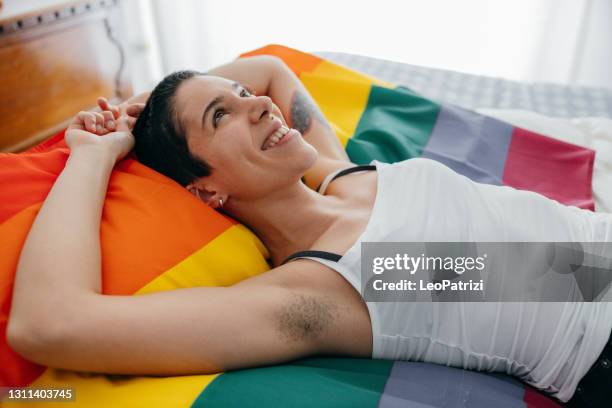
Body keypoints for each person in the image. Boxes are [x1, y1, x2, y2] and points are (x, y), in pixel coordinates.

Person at [7, 56, 612, 407]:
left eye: (242, 98)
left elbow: (268, 69)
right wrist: (94, 152)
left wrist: (137, 109)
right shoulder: (319, 293)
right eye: (223, 116)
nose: (259, 106)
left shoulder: (340, 174)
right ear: (206, 190)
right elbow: (48, 323)